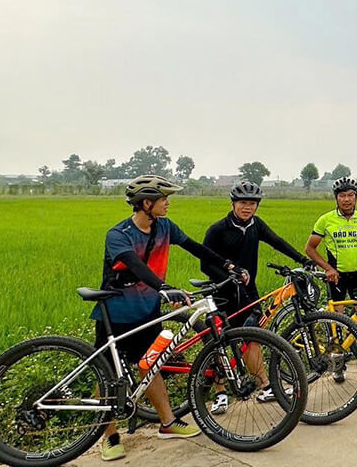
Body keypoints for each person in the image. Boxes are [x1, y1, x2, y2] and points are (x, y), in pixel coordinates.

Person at [94, 175, 247, 461]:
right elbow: (135, 265)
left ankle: (167, 422)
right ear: (146, 203)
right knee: (107, 374)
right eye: (163, 198)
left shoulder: (165, 227)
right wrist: (163, 287)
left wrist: (228, 265)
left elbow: (194, 247)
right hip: (116, 312)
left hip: (147, 310)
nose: (168, 203)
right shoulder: (119, 234)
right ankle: (109, 436)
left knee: (151, 365)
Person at [202, 179, 313, 412]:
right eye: (243, 203)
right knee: (219, 342)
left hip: (248, 293)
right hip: (223, 293)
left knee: (254, 336)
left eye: (252, 203)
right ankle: (220, 393)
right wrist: (229, 276)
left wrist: (302, 259)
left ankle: (265, 385)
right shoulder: (217, 230)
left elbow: (277, 242)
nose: (247, 207)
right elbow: (205, 264)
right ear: (233, 203)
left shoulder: (255, 225)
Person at [306, 177, 357, 302]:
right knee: (336, 314)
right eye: (342, 196)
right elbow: (310, 249)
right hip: (335, 277)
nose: (346, 199)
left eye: (350, 195)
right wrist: (328, 268)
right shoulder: (325, 220)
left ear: (356, 197)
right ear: (336, 198)